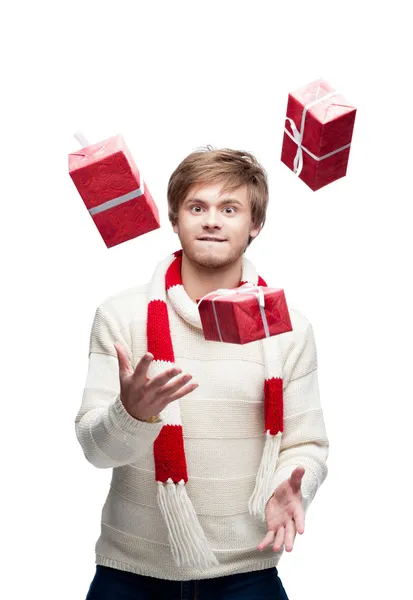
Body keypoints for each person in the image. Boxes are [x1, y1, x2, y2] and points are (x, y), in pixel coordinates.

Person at [75, 146, 329, 599]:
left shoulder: (288, 328)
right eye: (198, 207)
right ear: (175, 220)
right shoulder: (121, 317)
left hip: (247, 572)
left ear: (255, 225)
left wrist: (294, 485)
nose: (212, 220)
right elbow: (96, 450)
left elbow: (305, 443)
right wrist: (129, 413)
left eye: (229, 209)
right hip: (130, 572)